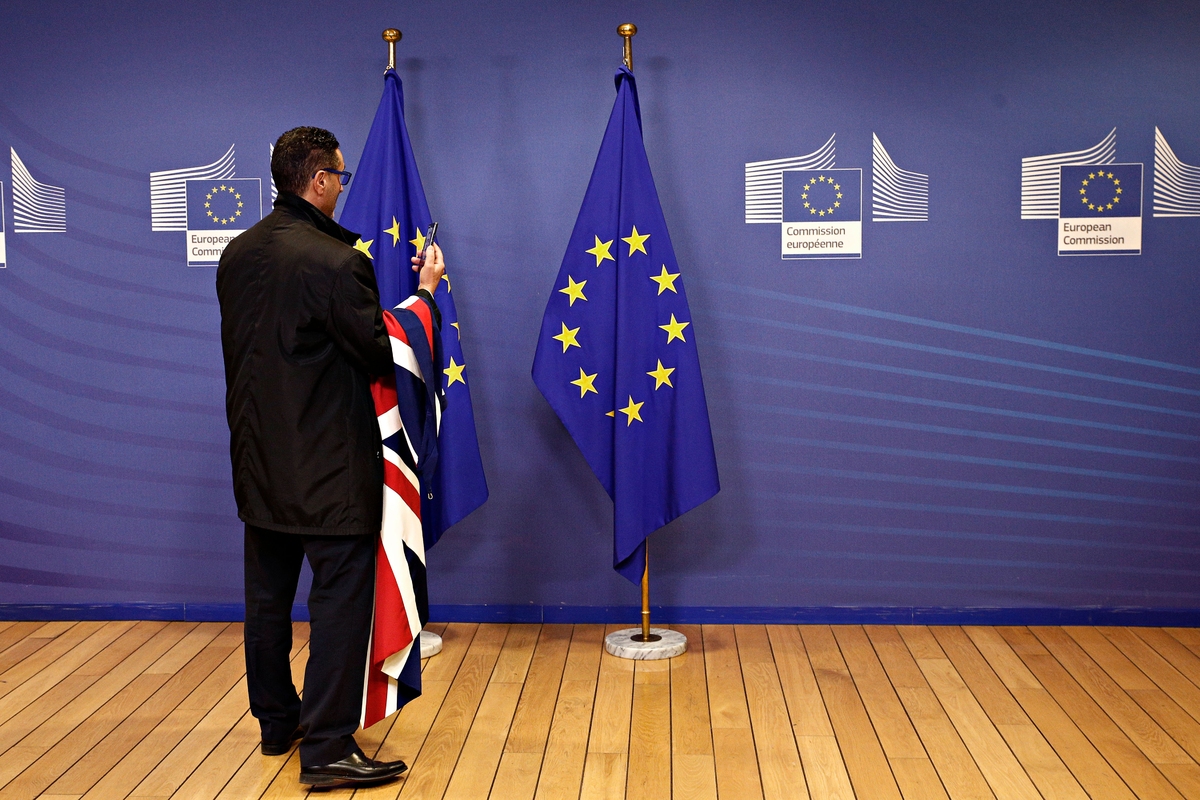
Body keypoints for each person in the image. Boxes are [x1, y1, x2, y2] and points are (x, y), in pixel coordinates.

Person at [216, 126, 444, 788]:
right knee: (339, 606)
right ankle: (327, 746)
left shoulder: (236, 253)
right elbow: (376, 350)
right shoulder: (338, 263)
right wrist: (425, 297)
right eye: (339, 177)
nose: (342, 187)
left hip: (258, 466)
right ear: (318, 180)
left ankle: (276, 724)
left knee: (267, 602)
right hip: (329, 472)